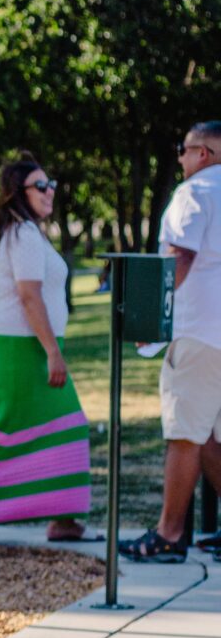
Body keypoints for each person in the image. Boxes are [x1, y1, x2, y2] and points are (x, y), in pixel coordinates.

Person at [0, 153, 94, 558]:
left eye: (51, 186)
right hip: (20, 350)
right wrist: (52, 352)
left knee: (66, 426)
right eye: (40, 186)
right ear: (19, 192)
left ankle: (62, 520)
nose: (50, 193)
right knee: (5, 432)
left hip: (28, 346)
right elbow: (29, 297)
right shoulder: (23, 234)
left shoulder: (27, 231)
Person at [121, 121, 221, 563]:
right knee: (213, 437)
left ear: (203, 154)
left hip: (199, 330)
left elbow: (178, 255)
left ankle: (168, 534)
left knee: (184, 433)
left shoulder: (195, 192)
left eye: (183, 149)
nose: (179, 158)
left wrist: (152, 321)